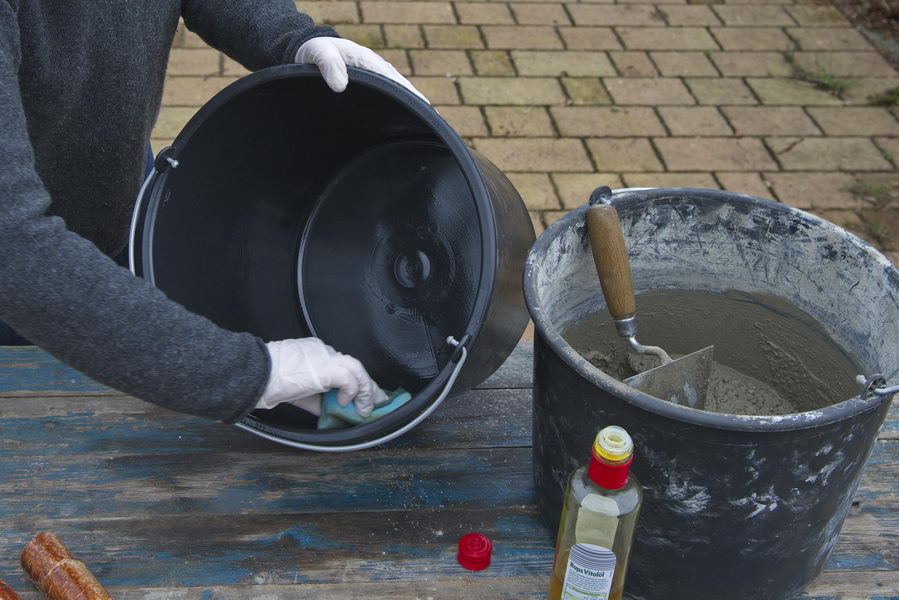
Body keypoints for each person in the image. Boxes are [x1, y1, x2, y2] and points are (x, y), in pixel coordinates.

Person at [0, 1, 426, 423]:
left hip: (111, 202)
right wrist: (249, 374)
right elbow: (14, 251)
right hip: (24, 278)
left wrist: (293, 38)